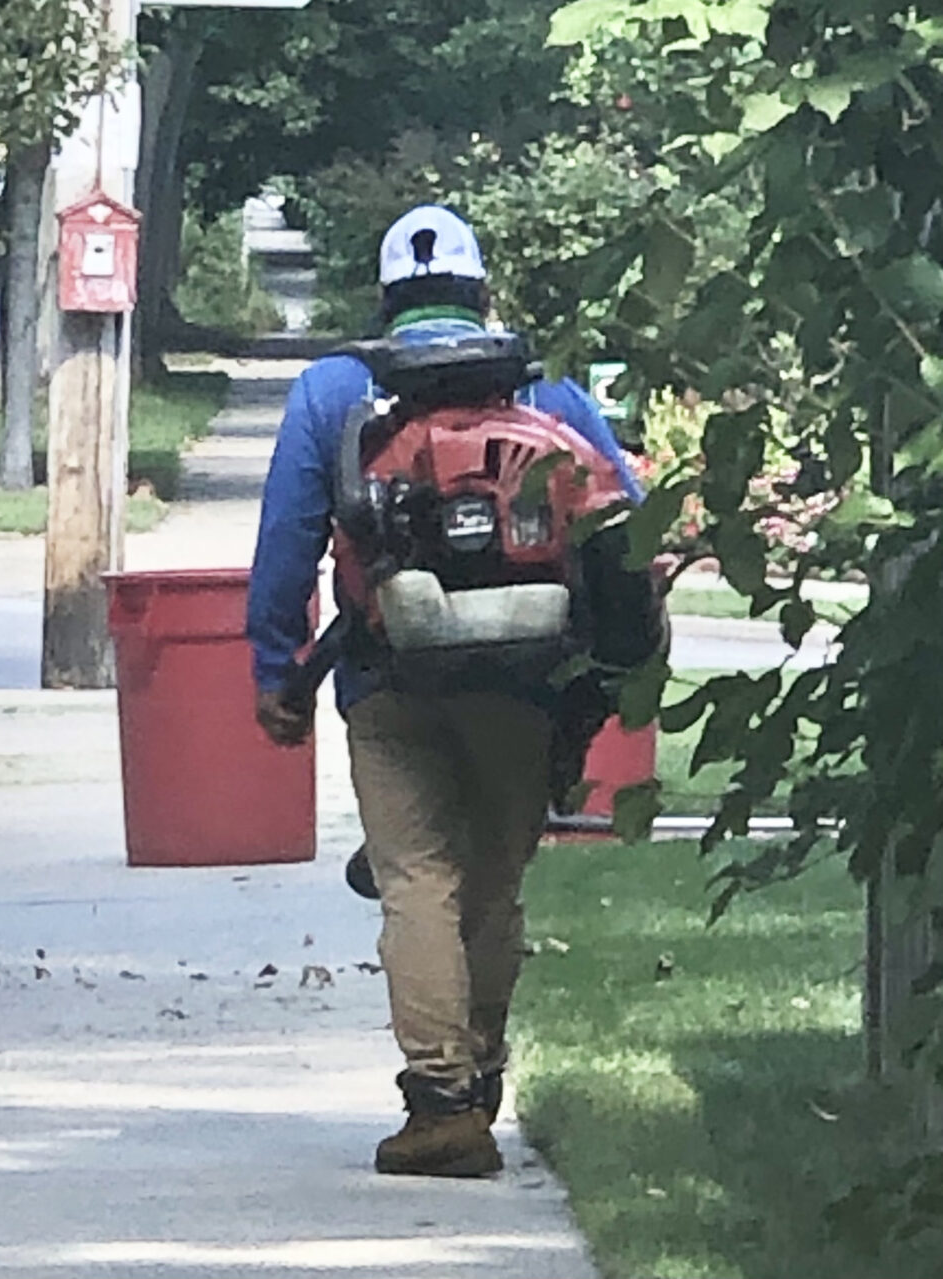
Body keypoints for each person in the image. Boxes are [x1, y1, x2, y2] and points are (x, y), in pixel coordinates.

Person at [247, 205, 656, 1178]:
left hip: (389, 676)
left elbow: (284, 548)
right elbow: (628, 518)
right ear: (481, 292)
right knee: (493, 884)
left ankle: (442, 1105)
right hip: (526, 681)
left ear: (387, 296)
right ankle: (484, 1068)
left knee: (417, 876)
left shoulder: (335, 390)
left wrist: (278, 672)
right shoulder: (541, 383)